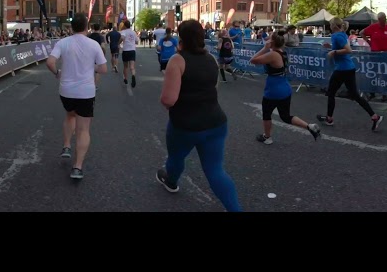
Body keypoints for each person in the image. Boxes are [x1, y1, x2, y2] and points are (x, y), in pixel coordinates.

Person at [157, 19, 241, 212]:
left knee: (176, 158)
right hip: (215, 122)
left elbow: (169, 99)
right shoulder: (211, 58)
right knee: (216, 170)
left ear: (182, 37)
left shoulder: (177, 60)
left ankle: (171, 181)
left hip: (185, 125)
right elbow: (214, 88)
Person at [46, 13, 107, 180]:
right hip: (86, 91)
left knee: (69, 115)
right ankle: (77, 167)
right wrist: (90, 68)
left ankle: (66, 146)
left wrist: (57, 72)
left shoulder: (63, 42)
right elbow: (103, 69)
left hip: (66, 90)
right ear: (87, 26)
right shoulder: (94, 44)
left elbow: (50, 62)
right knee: (83, 129)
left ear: (71, 27)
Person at [250, 31, 321, 144]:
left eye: (270, 37)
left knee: (266, 114)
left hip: (273, 90)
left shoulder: (272, 54)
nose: (267, 38)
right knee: (285, 116)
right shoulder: (282, 52)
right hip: (285, 88)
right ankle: (309, 126)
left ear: (272, 42)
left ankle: (267, 137)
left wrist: (265, 48)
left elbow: (253, 60)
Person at [317, 17, 383, 130]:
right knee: (355, 95)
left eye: (331, 24)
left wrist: (334, 51)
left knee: (331, 93)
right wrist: (331, 47)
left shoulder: (337, 35)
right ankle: (374, 116)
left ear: (334, 26)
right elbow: (343, 48)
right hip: (349, 68)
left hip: (342, 69)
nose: (330, 26)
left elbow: (348, 50)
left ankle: (329, 118)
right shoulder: (342, 35)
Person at [361, 12, 387, 102]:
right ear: (379, 19)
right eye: (383, 19)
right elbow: (362, 33)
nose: (384, 21)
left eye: (385, 19)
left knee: (385, 75)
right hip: (375, 54)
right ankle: (372, 93)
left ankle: (384, 94)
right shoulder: (373, 27)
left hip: (386, 54)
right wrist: (369, 42)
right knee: (374, 73)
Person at [119, 20, 139, 88]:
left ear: (124, 25)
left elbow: (122, 38)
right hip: (132, 50)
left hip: (125, 50)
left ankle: (125, 78)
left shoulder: (123, 31)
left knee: (125, 66)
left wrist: (118, 43)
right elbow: (137, 41)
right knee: (132, 67)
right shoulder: (133, 32)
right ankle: (133, 76)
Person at [87, 23, 105, 89]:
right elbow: (103, 46)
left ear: (93, 28)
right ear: (99, 28)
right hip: (97, 55)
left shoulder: (89, 35)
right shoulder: (101, 37)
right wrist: (103, 53)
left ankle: (89, 83)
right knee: (97, 71)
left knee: (90, 69)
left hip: (89, 54)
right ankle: (94, 85)